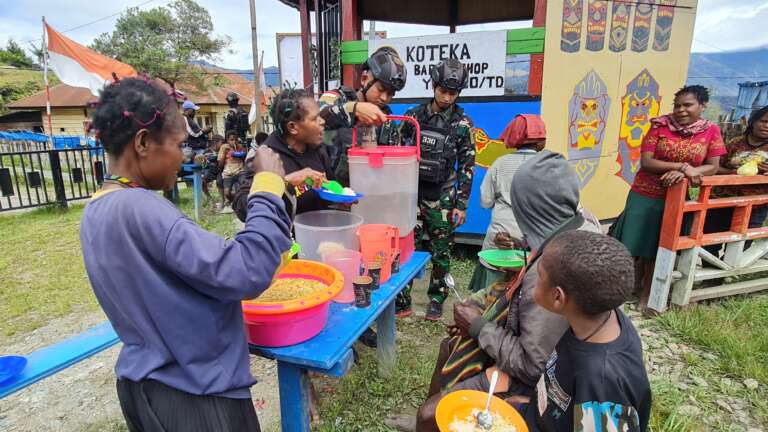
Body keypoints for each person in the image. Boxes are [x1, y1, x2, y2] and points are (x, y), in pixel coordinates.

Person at [80, 77, 292, 431]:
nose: (184, 156)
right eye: (179, 145)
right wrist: (268, 188)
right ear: (144, 142)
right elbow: (246, 271)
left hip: (143, 388)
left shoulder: (96, 210)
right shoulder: (146, 210)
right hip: (195, 395)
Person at [415, 151, 601, 432]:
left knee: (429, 413)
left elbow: (532, 365)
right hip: (543, 348)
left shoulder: (555, 271)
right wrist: (521, 244)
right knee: (447, 347)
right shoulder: (581, 221)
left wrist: (478, 326)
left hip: (540, 380)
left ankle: (431, 421)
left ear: (529, 209)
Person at [611, 85, 725, 312]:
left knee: (659, 245)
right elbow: (648, 162)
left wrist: (685, 173)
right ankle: (626, 286)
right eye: (677, 105)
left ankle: (649, 292)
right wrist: (683, 166)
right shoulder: (660, 126)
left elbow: (712, 167)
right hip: (644, 194)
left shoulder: (711, 131)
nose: (681, 110)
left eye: (688, 105)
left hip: (676, 197)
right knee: (633, 242)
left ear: (703, 106)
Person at [524, 231, 652, 431]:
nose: (533, 281)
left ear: (558, 297)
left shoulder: (602, 385)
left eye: (538, 276)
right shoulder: (599, 315)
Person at [394, 58, 476, 321]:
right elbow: (397, 153)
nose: (447, 97)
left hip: (443, 198)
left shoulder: (463, 124)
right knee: (407, 248)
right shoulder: (413, 117)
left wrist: (461, 205)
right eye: (443, 90)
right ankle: (402, 300)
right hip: (411, 195)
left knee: (441, 251)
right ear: (433, 85)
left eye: (453, 93)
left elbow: (467, 166)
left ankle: (436, 299)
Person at [468, 114, 546, 293]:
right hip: (534, 242)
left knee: (489, 298)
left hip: (500, 238)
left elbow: (485, 202)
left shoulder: (499, 163)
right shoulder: (548, 166)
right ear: (540, 142)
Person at [232, 89, 332, 222]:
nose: (322, 121)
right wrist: (285, 181)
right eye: (315, 118)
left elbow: (322, 189)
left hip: (319, 234)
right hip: (287, 239)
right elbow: (242, 207)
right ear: (292, 127)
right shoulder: (266, 157)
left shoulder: (318, 150)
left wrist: (339, 199)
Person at [319, 46, 406, 185]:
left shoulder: (386, 120)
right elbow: (316, 117)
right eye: (381, 89)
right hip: (330, 195)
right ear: (364, 79)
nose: (384, 98)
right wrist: (354, 109)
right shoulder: (336, 98)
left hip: (368, 196)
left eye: (390, 94)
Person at [703, 105, 768, 255]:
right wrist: (733, 173)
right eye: (763, 121)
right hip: (722, 201)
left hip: (755, 206)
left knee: (739, 247)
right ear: (753, 122)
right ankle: (709, 277)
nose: (766, 126)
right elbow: (713, 167)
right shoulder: (735, 143)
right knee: (710, 244)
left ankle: (724, 277)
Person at [218, 130, 247, 213]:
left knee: (244, 188)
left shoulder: (240, 147)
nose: (234, 141)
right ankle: (234, 200)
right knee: (227, 193)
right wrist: (224, 154)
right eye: (231, 140)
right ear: (227, 140)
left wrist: (240, 152)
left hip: (240, 171)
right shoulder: (224, 148)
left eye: (236, 139)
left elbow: (245, 157)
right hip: (228, 173)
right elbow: (220, 164)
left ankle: (242, 204)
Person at [200, 134, 225, 209]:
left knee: (220, 182)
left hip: (219, 170)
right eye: (222, 142)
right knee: (201, 182)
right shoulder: (207, 151)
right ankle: (209, 198)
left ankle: (222, 200)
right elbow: (203, 162)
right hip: (209, 171)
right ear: (216, 142)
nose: (223, 144)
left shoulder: (223, 150)